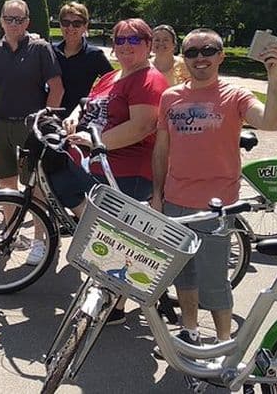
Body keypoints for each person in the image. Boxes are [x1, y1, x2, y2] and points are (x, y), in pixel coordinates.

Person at [152, 28, 277, 348]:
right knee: (183, 275)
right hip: (175, 201)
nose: (200, 58)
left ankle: (224, 342)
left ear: (220, 56)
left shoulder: (234, 95)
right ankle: (190, 330)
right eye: (192, 51)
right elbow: (161, 149)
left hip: (217, 206)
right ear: (184, 57)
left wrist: (273, 76)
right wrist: (158, 195)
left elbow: (271, 121)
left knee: (214, 281)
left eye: (208, 50)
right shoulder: (171, 97)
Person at [57, 17, 170, 325]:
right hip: (99, 161)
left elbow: (143, 125)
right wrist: (73, 117)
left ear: (147, 45)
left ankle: (116, 303)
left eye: (134, 40)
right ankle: (92, 238)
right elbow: (88, 102)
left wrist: (96, 142)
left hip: (128, 167)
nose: (125, 46)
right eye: (120, 40)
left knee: (118, 236)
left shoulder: (149, 79)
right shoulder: (113, 76)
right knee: (54, 171)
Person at [0, 0, 63, 265]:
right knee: (5, 182)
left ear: (28, 22)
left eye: (19, 19)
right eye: (9, 19)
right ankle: (10, 231)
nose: (14, 24)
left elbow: (57, 87)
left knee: (34, 186)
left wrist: (46, 120)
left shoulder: (40, 49)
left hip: (30, 126)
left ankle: (39, 240)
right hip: (0, 123)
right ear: (1, 20)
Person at [53, 2, 113, 116]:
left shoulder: (94, 55)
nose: (70, 27)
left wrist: (93, 100)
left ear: (85, 26)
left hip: (79, 117)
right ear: (60, 25)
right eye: (66, 22)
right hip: (51, 116)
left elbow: (112, 82)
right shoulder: (51, 52)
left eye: (77, 23)